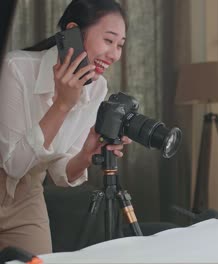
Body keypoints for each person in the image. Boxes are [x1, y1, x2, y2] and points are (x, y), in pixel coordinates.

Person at [0, 0, 130, 255]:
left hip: (27, 199)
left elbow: (61, 173)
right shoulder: (16, 68)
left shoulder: (96, 87)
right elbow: (13, 164)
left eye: (120, 45)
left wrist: (85, 155)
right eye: (109, 40)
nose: (115, 54)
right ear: (73, 32)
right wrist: (62, 104)